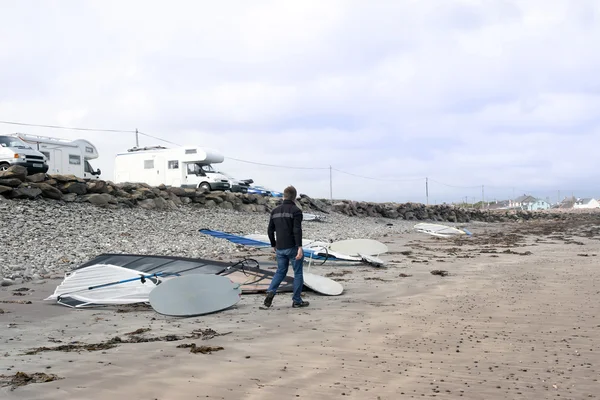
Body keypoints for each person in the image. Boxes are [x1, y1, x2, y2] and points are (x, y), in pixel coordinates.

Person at [263, 185, 309, 308]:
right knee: (298, 273)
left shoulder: (275, 211)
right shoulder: (296, 211)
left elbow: (270, 230)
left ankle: (270, 292)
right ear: (294, 197)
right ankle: (297, 300)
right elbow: (297, 230)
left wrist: (273, 244)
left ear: (284, 196)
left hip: (280, 247)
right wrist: (299, 247)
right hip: (292, 247)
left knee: (280, 271)